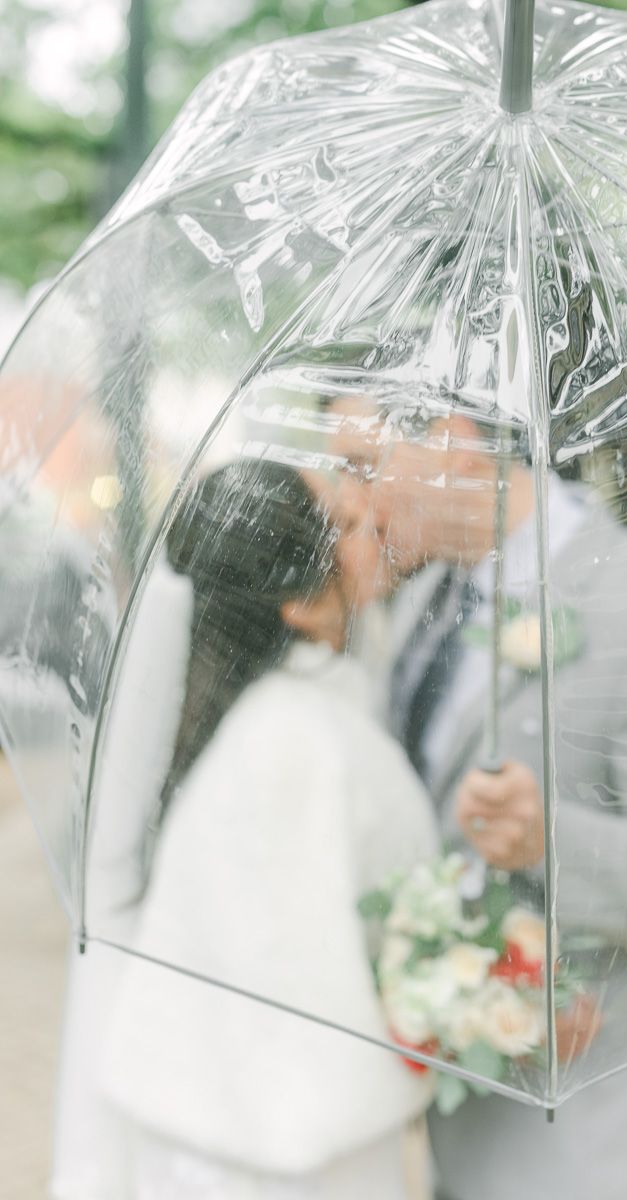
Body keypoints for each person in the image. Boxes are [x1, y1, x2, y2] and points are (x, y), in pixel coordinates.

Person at [331, 398, 627, 1200]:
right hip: (464, 1122)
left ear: (455, 446)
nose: (351, 497)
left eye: (360, 462)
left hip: (591, 1145)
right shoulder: (427, 598)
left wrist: (547, 841)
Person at [102, 458, 438, 1200]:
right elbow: (417, 905)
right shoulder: (316, 744)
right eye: (345, 527)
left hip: (197, 1133)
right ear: (300, 604)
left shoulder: (244, 727)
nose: (369, 526)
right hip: (303, 1156)